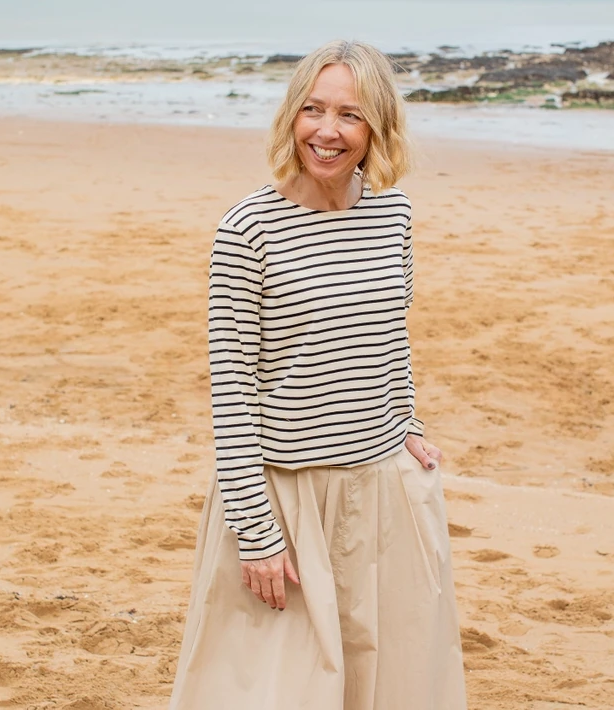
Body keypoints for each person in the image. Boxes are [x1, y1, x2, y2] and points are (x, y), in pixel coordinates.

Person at [168, 39, 467, 710]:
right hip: (284, 498)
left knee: (386, 686)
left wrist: (408, 424)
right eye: (313, 110)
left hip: (381, 493)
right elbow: (231, 391)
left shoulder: (394, 214)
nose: (327, 132)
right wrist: (258, 533)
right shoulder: (247, 230)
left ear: (377, 128)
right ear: (291, 117)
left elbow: (391, 337)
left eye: (350, 116)